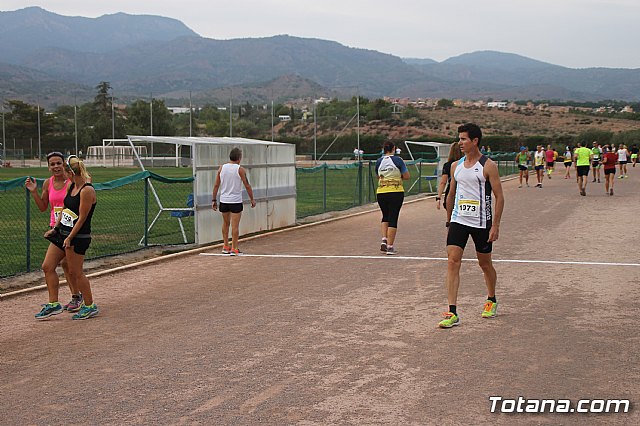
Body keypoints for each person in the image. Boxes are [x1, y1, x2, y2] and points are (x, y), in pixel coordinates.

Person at [439, 123, 505, 328]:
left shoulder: (488, 166)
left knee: (484, 264)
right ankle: (452, 312)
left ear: (475, 141)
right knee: (452, 261)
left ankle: (491, 299)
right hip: (459, 220)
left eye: (464, 139)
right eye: (459, 139)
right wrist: (450, 220)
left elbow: (500, 197)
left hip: (481, 223)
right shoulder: (454, 166)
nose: (460, 143)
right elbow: (451, 195)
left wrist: (495, 225)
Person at [36, 155, 98, 320]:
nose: (61, 171)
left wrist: (70, 237)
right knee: (47, 266)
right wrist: (55, 229)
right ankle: (53, 304)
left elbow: (82, 218)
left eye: (64, 168)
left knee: (75, 272)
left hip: (78, 236)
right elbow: (64, 208)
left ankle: (90, 305)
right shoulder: (72, 186)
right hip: (62, 232)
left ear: (71, 171)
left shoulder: (87, 190)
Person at [25, 152, 82, 312]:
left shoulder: (71, 181)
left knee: (69, 266)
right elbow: (43, 207)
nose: (56, 166)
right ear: (48, 167)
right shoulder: (47, 184)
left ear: (64, 164)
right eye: (52, 164)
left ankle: (79, 298)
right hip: (56, 229)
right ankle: (54, 303)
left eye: (58, 163)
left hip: (73, 228)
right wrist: (34, 191)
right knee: (48, 266)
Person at [212, 147, 256, 255]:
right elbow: (247, 185)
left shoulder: (221, 168)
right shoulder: (240, 169)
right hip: (235, 201)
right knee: (235, 225)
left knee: (225, 223)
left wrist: (214, 199)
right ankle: (234, 248)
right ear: (239, 158)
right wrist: (252, 199)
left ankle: (225, 246)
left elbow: (216, 185)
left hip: (224, 200)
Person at [375, 141, 410, 255]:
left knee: (385, 216)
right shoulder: (398, 160)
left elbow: (378, 176)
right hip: (395, 191)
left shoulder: (379, 161)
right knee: (393, 218)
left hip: (381, 192)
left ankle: (384, 239)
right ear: (394, 149)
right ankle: (390, 246)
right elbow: (406, 176)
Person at [436, 142, 462, 211]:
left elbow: (443, 182)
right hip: (462, 191)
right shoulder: (465, 164)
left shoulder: (447, 165)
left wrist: (439, 197)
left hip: (451, 191)